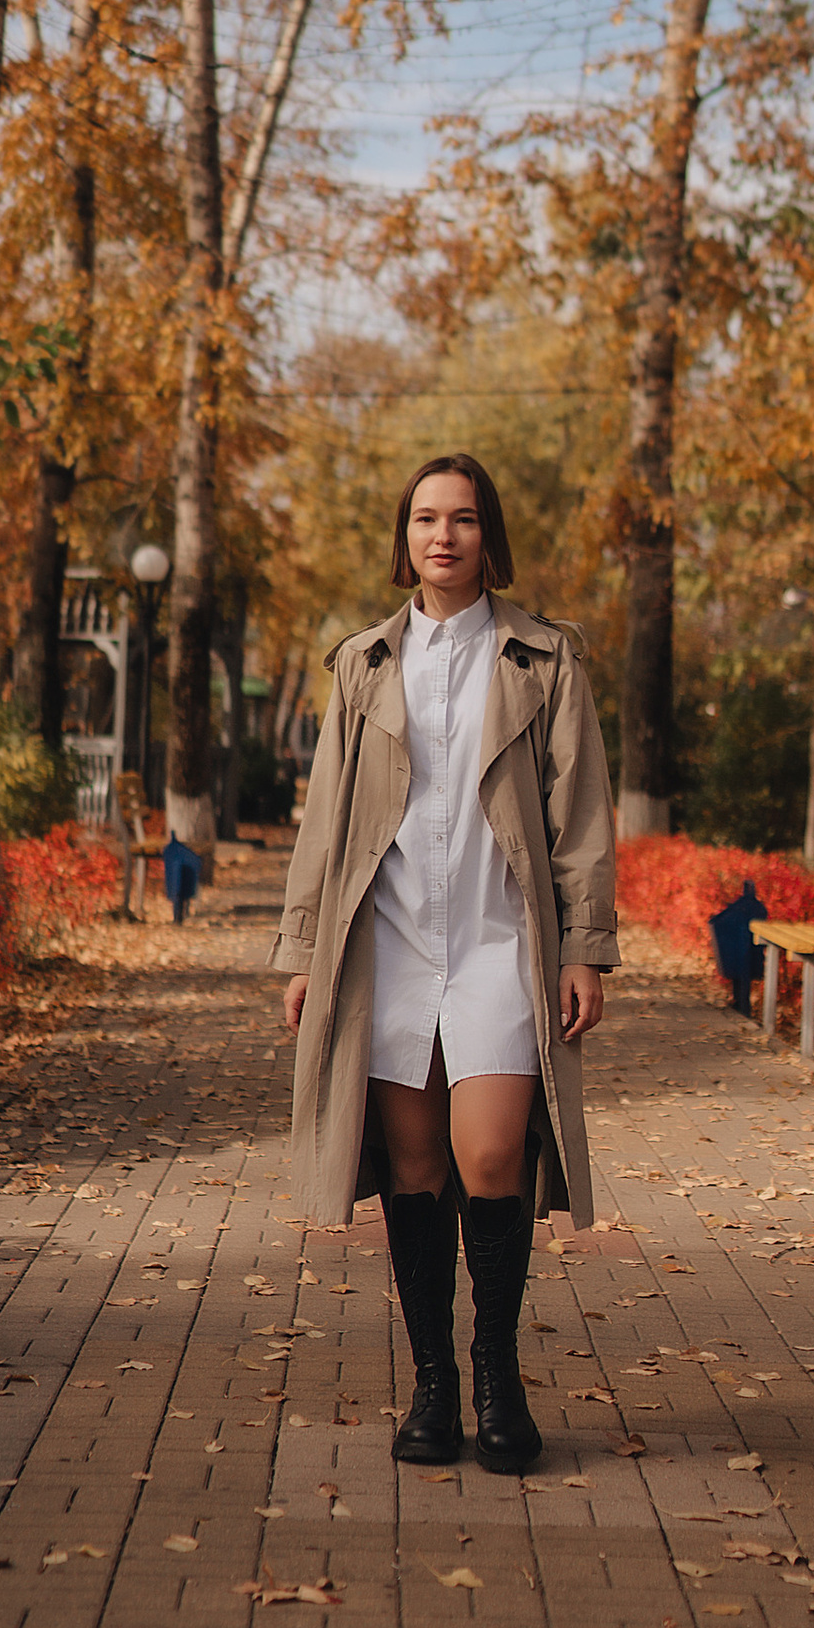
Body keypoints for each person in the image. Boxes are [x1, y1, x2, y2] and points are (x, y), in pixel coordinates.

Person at [274, 452, 618, 1473]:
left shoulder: (544, 660)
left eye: (463, 518)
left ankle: (496, 1373)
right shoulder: (362, 664)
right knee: (416, 1170)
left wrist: (586, 948)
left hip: (498, 942)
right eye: (425, 518)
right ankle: (432, 1388)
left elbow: (582, 817)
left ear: (487, 535)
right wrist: (301, 948)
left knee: (492, 1157)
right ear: (405, 537)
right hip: (387, 945)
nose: (443, 536)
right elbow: (325, 816)